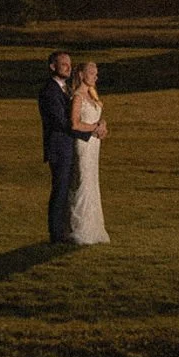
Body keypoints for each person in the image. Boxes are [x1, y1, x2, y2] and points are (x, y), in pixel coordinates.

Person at [37, 49, 90, 243]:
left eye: (70, 63)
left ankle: (65, 228)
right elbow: (61, 122)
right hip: (59, 148)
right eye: (64, 64)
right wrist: (88, 131)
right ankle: (56, 234)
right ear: (53, 67)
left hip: (68, 145)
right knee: (60, 190)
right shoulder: (49, 91)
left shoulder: (66, 88)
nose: (69, 67)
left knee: (68, 188)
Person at [67, 60, 110, 245]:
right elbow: (75, 123)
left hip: (94, 144)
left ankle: (93, 227)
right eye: (92, 73)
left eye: (96, 73)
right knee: (83, 181)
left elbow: (96, 117)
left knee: (92, 182)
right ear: (82, 75)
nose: (96, 76)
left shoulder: (92, 95)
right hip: (83, 144)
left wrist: (102, 126)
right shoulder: (78, 97)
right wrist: (93, 127)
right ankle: (80, 228)